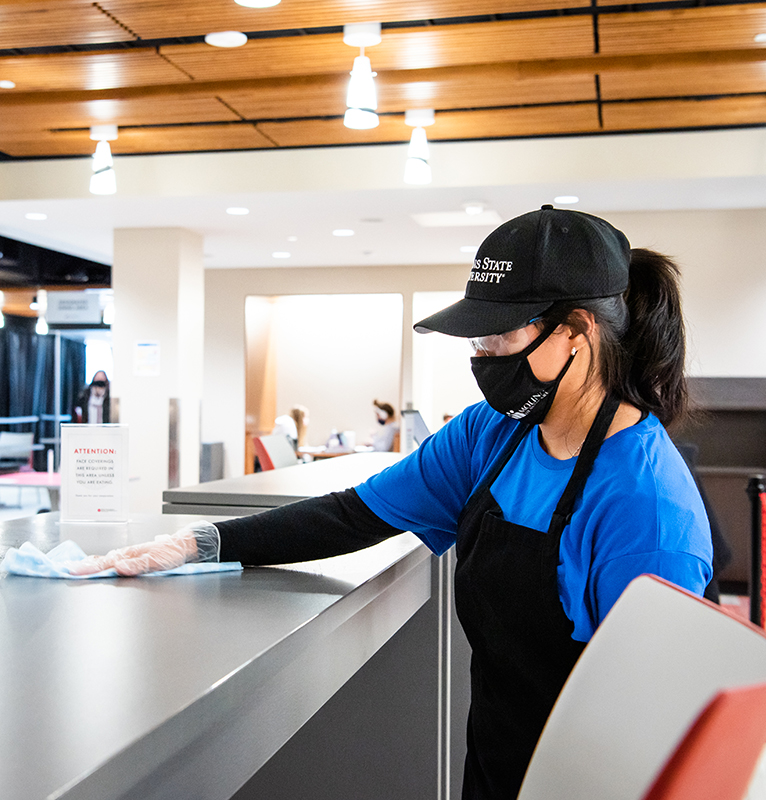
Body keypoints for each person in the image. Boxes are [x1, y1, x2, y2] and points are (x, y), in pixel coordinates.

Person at [69, 206, 713, 800]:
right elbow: (354, 514)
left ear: (576, 332)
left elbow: (655, 735)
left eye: (497, 338)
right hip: (492, 763)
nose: (481, 356)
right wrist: (202, 543)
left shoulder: (647, 509)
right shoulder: (492, 434)